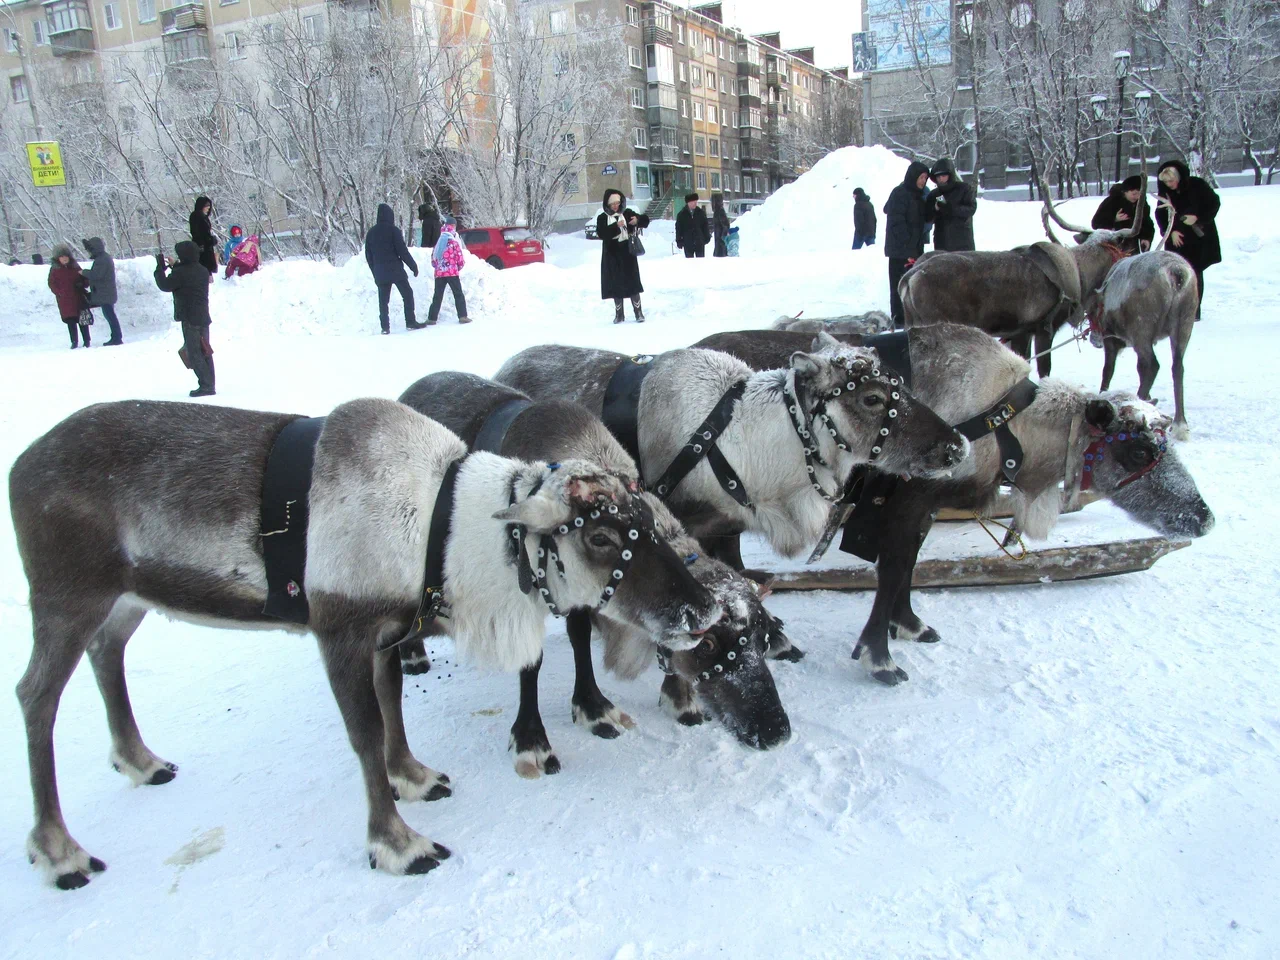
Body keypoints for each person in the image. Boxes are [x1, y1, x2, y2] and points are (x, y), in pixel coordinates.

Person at [1156, 159, 1221, 318]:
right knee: (1175, 273)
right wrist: (1170, 232)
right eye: (1166, 182)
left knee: (1194, 273)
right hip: (1177, 241)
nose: (1170, 184)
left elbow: (1214, 203)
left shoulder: (1197, 185)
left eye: (1172, 181)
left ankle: (1193, 310)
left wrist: (1198, 218)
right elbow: (1161, 214)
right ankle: (1177, 309)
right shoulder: (1165, 193)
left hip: (1199, 239)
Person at [155, 240, 215, 396]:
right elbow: (187, 273)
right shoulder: (202, 270)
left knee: (194, 352)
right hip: (203, 316)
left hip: (189, 317)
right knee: (205, 350)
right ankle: (209, 383)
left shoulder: (180, 273)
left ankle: (206, 386)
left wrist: (159, 270)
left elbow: (165, 285)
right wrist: (176, 265)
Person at [883, 161, 933, 328]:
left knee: (912, 287)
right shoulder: (900, 193)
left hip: (914, 249)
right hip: (900, 251)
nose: (923, 181)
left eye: (926, 178)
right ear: (913, 177)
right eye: (921, 177)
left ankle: (910, 320)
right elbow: (897, 223)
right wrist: (908, 249)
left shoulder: (918, 196)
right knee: (899, 287)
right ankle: (898, 321)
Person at [364, 202, 423, 335]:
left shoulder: (371, 233)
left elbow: (368, 256)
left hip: (380, 272)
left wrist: (375, 272)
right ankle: (410, 322)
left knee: (383, 302)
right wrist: (413, 266)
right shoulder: (393, 230)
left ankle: (385, 327)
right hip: (396, 271)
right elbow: (402, 251)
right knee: (407, 294)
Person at [597, 189, 649, 323]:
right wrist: (616, 226)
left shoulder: (626, 213)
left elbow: (645, 220)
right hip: (612, 256)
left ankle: (638, 313)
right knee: (616, 285)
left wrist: (637, 220)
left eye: (617, 203)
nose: (615, 206)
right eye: (612, 204)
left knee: (633, 284)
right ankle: (619, 314)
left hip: (628, 255)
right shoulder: (602, 217)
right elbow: (602, 234)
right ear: (607, 204)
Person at [1091, 175, 1154, 254]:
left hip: (1132, 246)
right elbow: (1095, 224)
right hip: (1111, 246)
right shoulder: (1111, 202)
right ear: (1125, 192)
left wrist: (1146, 238)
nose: (1137, 197)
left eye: (1139, 194)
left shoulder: (1142, 203)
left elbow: (1147, 223)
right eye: (1134, 194)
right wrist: (1114, 219)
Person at [925, 157, 977, 252]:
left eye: (943, 176)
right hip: (942, 241)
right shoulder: (934, 194)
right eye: (938, 177)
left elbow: (971, 209)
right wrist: (935, 209)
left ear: (950, 175)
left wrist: (951, 209)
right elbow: (927, 218)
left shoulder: (964, 189)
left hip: (962, 240)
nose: (941, 179)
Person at [426, 217, 469, 325]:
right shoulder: (453, 241)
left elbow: (433, 258)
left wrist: (439, 267)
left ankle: (432, 318)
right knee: (458, 293)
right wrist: (457, 267)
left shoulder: (439, 240)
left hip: (439, 273)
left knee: (437, 295)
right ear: (453, 226)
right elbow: (460, 258)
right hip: (452, 272)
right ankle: (462, 316)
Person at [47, 244, 91, 349]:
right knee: (71, 322)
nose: (64, 258)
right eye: (62, 256)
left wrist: (83, 283)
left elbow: (84, 278)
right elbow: (51, 283)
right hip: (65, 301)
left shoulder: (75, 266)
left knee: (83, 321)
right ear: (57, 258)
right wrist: (59, 293)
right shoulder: (54, 270)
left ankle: (87, 341)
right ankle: (74, 341)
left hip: (78, 298)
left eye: (66, 256)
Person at [82, 236, 123, 345]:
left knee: (110, 316)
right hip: (106, 292)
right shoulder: (103, 258)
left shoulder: (102, 259)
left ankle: (116, 337)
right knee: (110, 315)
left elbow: (96, 275)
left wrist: (83, 272)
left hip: (105, 293)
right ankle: (116, 337)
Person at [188, 196, 218, 275]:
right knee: (204, 274)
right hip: (202, 249)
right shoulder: (197, 216)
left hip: (205, 248)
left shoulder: (203, 217)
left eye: (209, 205)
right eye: (206, 205)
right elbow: (198, 233)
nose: (208, 208)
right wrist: (211, 240)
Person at [675, 193, 710, 258]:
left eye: (696, 201)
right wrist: (679, 240)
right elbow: (678, 229)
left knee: (700, 262)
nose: (695, 203)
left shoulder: (700, 213)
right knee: (689, 263)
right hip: (688, 242)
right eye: (693, 202)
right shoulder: (681, 214)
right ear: (688, 202)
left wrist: (706, 237)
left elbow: (705, 226)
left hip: (699, 242)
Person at [711, 193, 731, 257]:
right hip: (719, 243)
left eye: (713, 201)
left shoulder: (720, 211)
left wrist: (722, 240)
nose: (712, 204)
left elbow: (726, 226)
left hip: (721, 245)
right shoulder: (717, 212)